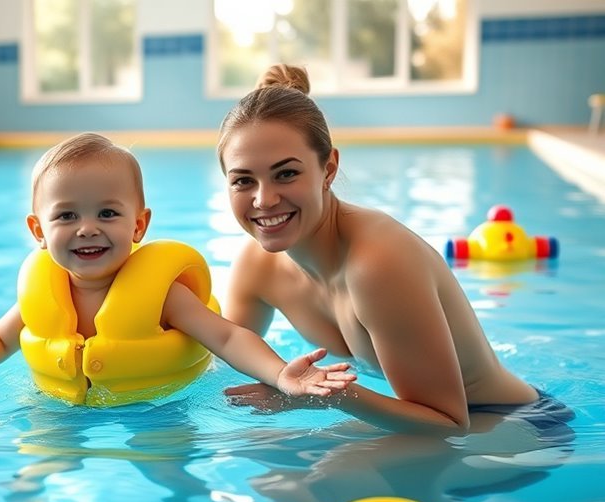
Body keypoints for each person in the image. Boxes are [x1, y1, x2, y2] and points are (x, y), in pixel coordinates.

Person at [0, 132, 355, 404]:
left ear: (139, 225)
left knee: (169, 470)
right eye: (67, 215)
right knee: (37, 468)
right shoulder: (44, 290)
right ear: (37, 230)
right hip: (63, 411)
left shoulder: (161, 293)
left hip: (159, 408)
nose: (88, 229)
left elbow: (225, 338)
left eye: (108, 214)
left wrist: (278, 374)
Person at [219, 64, 555, 433]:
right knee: (273, 472)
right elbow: (222, 357)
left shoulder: (377, 263)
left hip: (511, 425)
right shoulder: (256, 267)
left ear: (328, 169)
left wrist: (317, 396)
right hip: (431, 427)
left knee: (321, 482)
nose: (264, 200)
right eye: (243, 181)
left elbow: (449, 422)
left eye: (286, 174)